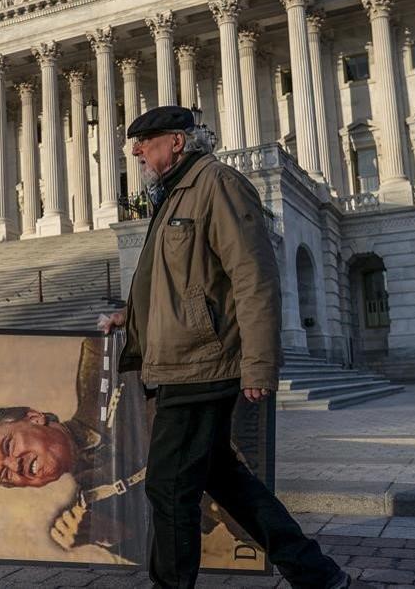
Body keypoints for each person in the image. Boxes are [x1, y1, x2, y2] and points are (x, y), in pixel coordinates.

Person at [100, 106, 349, 589]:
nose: (136, 152)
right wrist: (128, 317)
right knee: (226, 479)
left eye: (146, 142)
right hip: (179, 361)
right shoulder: (173, 195)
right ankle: (316, 574)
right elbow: (175, 284)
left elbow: (254, 278)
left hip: (201, 364)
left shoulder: (218, 185)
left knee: (169, 486)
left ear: (175, 142)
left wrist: (259, 364)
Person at [0, 338, 150, 563]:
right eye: (6, 475)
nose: (15, 465)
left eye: (9, 446)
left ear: (35, 418)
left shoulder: (98, 360)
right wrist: (115, 536)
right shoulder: (91, 510)